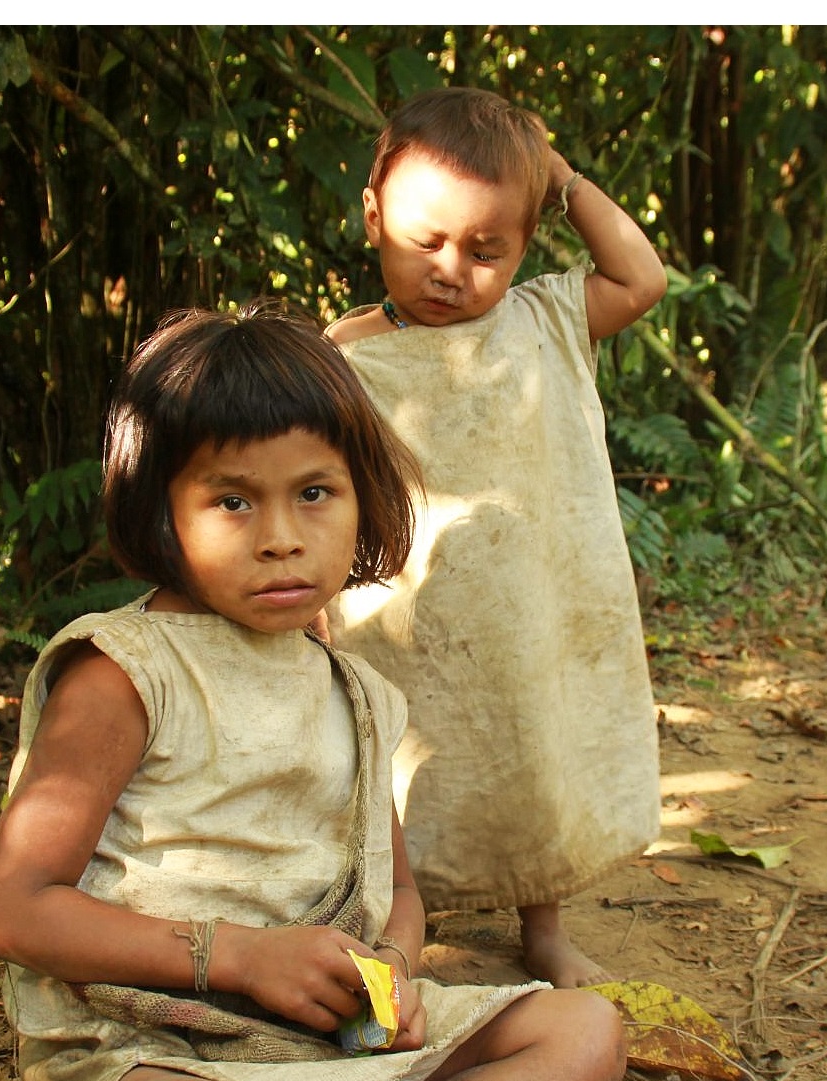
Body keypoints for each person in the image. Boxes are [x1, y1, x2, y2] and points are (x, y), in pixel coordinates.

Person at [0, 303, 727, 1081]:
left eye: (313, 493)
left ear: (362, 502)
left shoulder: (356, 691)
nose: (280, 538)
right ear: (159, 510)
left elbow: (398, 889)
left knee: (582, 1032)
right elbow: (10, 909)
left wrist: (396, 971)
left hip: (328, 1038)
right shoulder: (124, 672)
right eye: (231, 503)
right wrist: (235, 957)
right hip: (156, 1050)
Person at [328, 86, 668, 990]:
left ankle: (542, 927)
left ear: (526, 242)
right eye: (425, 242)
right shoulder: (340, 357)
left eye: (488, 249)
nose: (453, 270)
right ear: (372, 219)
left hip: (529, 613)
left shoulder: (547, 319)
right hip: (395, 620)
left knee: (526, 756)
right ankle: (408, 926)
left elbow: (642, 279)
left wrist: (564, 182)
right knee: (403, 769)